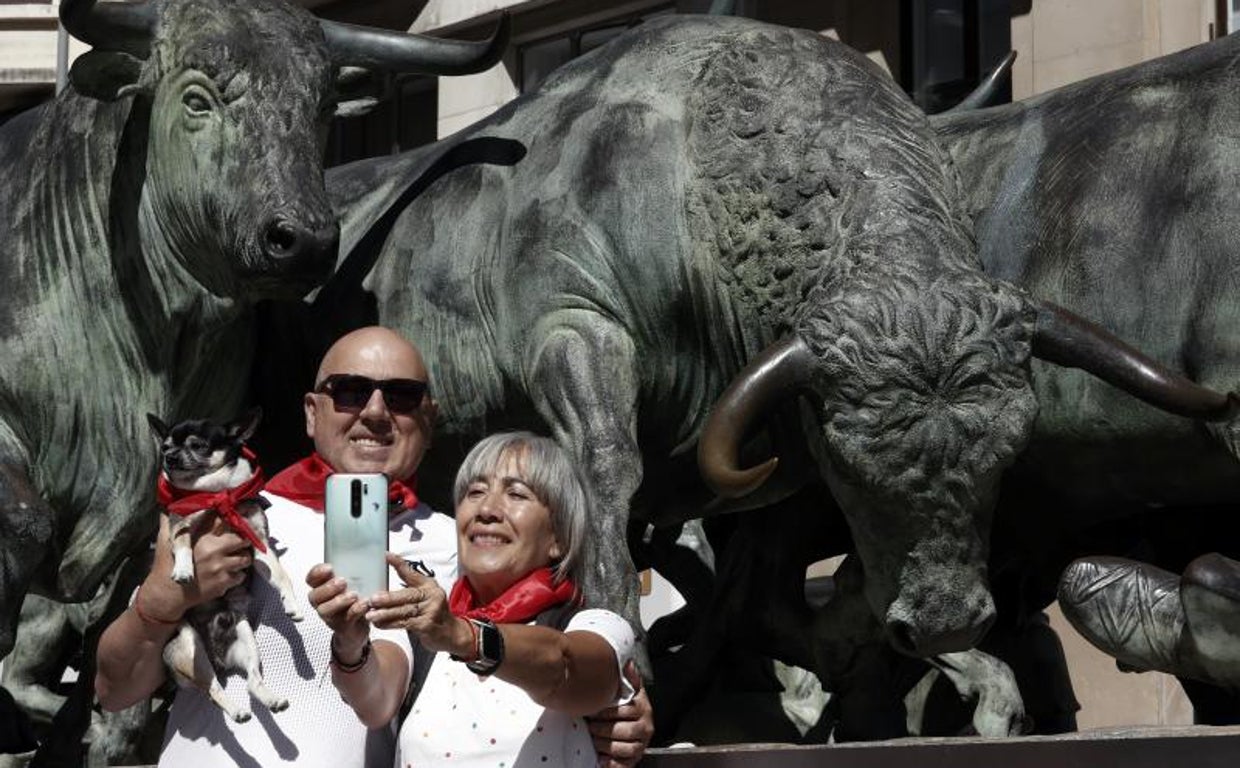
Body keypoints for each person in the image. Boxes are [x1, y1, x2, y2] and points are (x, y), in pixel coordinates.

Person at [94, 326, 652, 767]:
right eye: (351, 391)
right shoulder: (224, 518)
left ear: (428, 420)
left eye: (402, 397)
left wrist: (618, 711)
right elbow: (115, 691)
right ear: (312, 413)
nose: (376, 412)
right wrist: (164, 598)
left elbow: (548, 650)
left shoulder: (461, 542)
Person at [311, 431, 635, 767]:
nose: (488, 510)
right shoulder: (426, 631)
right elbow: (373, 704)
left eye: (516, 494)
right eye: (475, 492)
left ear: (560, 538)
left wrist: (467, 636)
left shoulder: (596, 625)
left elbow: (564, 667)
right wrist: (350, 640)